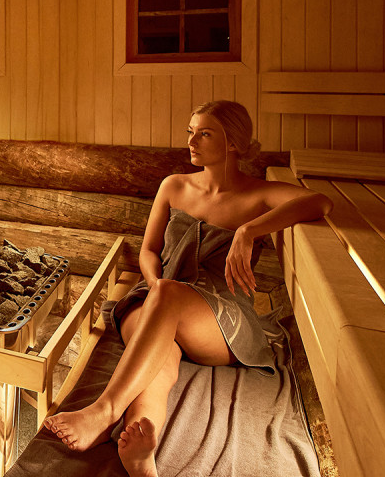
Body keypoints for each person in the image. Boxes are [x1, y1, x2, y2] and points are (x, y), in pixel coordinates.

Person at [43, 101, 332, 477]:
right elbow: (148, 250)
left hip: (219, 319)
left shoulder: (258, 195)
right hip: (155, 296)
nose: (192, 141)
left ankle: (104, 411)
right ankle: (142, 454)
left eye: (204, 133)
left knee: (168, 299)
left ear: (232, 143)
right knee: (161, 355)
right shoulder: (174, 185)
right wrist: (155, 286)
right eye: (190, 131)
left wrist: (249, 230)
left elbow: (321, 202)